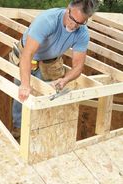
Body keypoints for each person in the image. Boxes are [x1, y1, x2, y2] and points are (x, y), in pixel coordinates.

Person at [9, 0, 98, 140]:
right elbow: (27, 54)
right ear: (68, 9)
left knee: (49, 96)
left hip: (50, 62)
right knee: (22, 96)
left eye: (80, 23)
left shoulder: (82, 33)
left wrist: (64, 80)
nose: (74, 25)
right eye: (72, 19)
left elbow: (78, 67)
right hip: (27, 57)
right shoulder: (47, 21)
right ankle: (18, 130)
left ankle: (41, 131)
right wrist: (25, 84)